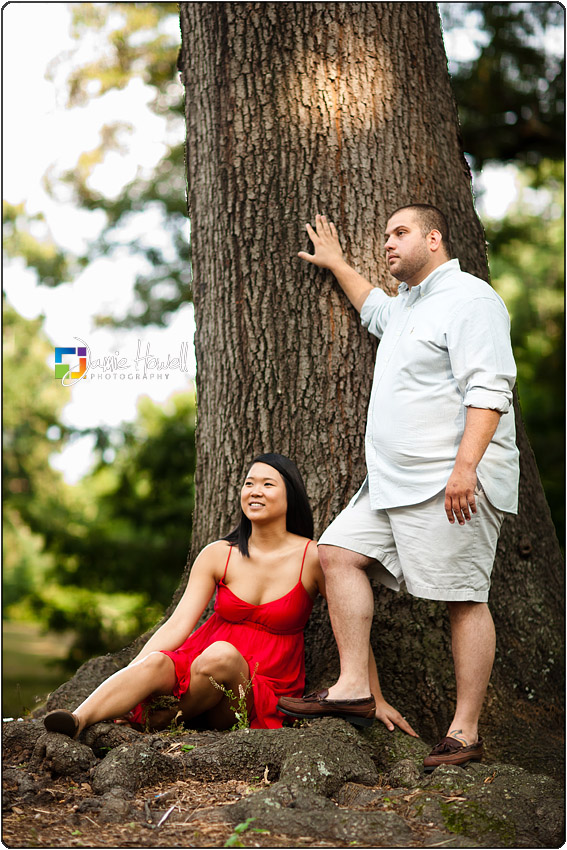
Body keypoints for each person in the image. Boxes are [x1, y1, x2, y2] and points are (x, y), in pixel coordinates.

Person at [277, 208, 519, 771]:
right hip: (391, 483)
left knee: (463, 596)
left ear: (434, 239)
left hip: (451, 481)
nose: (387, 244)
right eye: (384, 236)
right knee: (336, 553)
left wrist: (465, 469)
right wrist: (337, 263)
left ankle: (465, 732)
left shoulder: (470, 300)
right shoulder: (410, 304)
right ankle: (354, 685)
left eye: (400, 233)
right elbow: (373, 308)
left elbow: (489, 386)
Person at [43, 453, 411, 736]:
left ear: (291, 495)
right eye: (249, 483)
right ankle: (78, 720)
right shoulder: (219, 553)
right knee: (158, 661)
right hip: (199, 671)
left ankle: (159, 721)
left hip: (258, 688)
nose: (254, 491)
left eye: (268, 484)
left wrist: (371, 695)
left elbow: (350, 625)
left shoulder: (313, 557)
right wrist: (137, 669)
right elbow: (178, 624)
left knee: (221, 655)